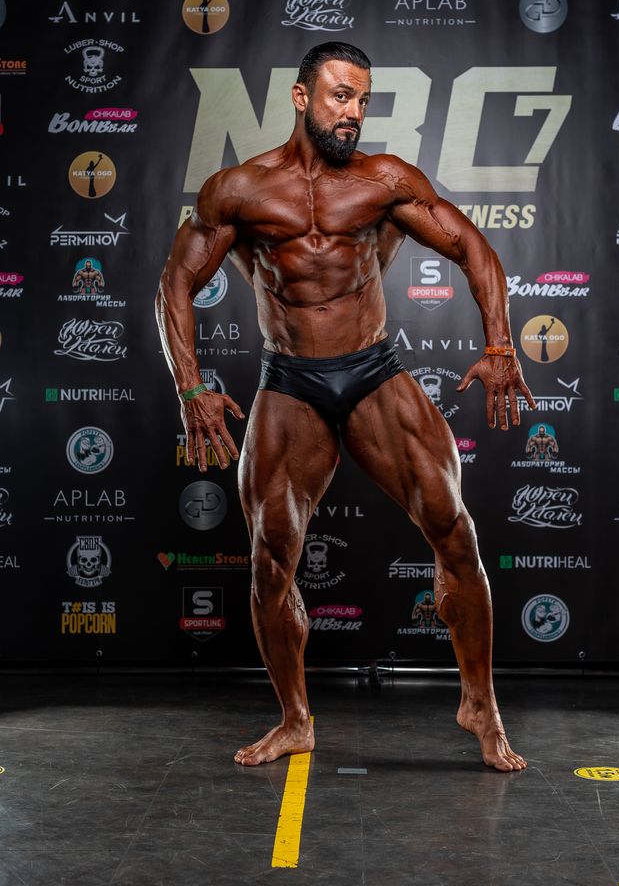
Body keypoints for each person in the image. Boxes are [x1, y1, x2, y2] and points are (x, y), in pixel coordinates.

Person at [156, 42, 535, 772]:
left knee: (455, 533)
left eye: (362, 99)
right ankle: (295, 719)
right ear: (301, 97)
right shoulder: (239, 190)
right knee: (270, 560)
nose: (352, 112)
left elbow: (472, 248)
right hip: (290, 381)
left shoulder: (383, 180)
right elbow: (175, 281)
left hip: (372, 372)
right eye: (339, 96)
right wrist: (191, 386)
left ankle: (480, 706)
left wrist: (499, 345)